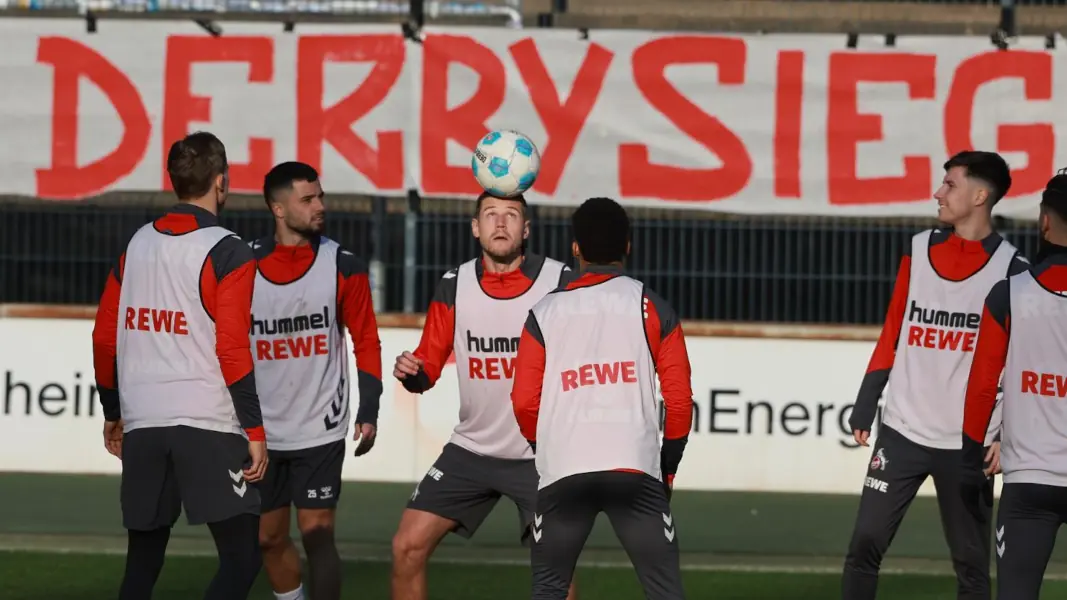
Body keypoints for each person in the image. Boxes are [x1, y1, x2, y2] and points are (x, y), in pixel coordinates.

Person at [841, 150, 1030, 600]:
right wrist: (868, 397)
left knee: (971, 569)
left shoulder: (1013, 270)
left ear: (980, 196)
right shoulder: (918, 249)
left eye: (950, 184)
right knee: (864, 545)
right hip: (902, 433)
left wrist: (1007, 433)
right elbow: (894, 329)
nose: (938, 192)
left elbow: (1020, 363)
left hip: (968, 445)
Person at [91, 131, 267, 600]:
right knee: (242, 558)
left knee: (142, 565)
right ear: (221, 182)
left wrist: (113, 410)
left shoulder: (137, 243)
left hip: (145, 420)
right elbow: (232, 348)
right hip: (207, 420)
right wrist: (255, 430)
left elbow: (104, 335)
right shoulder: (230, 250)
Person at [390, 191, 577, 600]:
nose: (500, 223)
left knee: (556, 575)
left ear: (526, 229)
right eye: (490, 215)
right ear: (476, 228)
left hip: (541, 457)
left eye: (511, 215)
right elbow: (428, 367)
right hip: (471, 451)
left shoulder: (560, 282)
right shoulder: (454, 284)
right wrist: (412, 372)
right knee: (407, 547)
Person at [510, 196, 693, 600]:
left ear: (575, 249)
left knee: (549, 589)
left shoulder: (544, 312)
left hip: (564, 471)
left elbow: (524, 401)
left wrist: (545, 448)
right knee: (665, 591)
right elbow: (679, 404)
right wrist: (668, 470)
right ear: (627, 246)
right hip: (635, 470)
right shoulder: (652, 306)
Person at [250, 162, 384, 600]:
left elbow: (366, 340)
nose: (320, 206)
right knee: (268, 537)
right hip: (260, 432)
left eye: (320, 196)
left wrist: (369, 410)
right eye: (307, 199)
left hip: (320, 426)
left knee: (318, 534)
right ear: (278, 208)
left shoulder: (343, 265)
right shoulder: (243, 266)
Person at [961, 169, 1067, 600]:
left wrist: (970, 460)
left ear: (1044, 221)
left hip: (1028, 484)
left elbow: (982, 387)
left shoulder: (1009, 293)